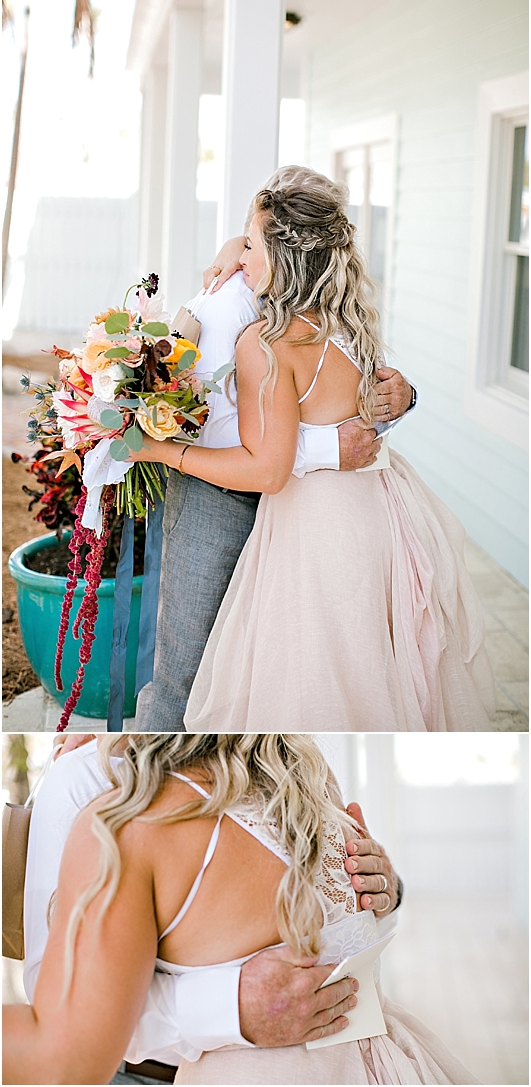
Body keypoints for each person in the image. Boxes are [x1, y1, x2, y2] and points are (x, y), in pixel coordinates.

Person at [140, 169, 496, 733]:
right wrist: (240, 246)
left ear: (284, 252)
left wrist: (158, 452)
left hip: (304, 512)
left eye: (252, 242)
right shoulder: (344, 317)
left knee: (313, 664)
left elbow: (269, 463)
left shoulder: (267, 341)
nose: (240, 252)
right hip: (357, 507)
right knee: (347, 656)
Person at [3, 735, 478, 1086]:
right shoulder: (307, 780)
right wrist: (228, 1005)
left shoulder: (127, 827)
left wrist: (386, 888)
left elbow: (62, 1056)